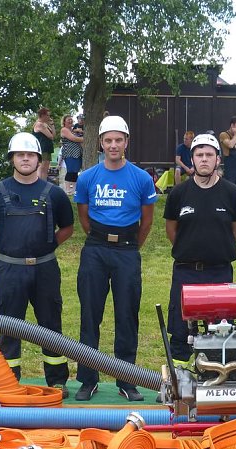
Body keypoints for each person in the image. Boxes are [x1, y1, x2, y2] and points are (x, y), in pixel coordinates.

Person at [0, 133, 74, 396]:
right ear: (12, 158)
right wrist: (6, 246)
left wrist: (48, 246)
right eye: (20, 154)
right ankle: (8, 381)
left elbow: (68, 227)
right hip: (10, 269)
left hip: (45, 269)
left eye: (30, 154)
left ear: (38, 159)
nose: (25, 158)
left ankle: (57, 381)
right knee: (9, 326)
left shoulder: (54, 194)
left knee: (51, 325)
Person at [73, 115, 157, 402]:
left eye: (118, 140)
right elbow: (83, 215)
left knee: (126, 315)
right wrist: (99, 239)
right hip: (95, 249)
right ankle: (88, 378)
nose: (113, 145)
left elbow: (147, 221)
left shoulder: (141, 178)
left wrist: (130, 246)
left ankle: (127, 380)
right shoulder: (88, 178)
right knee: (90, 315)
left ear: (126, 143)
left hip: (127, 251)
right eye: (108, 140)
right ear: (100, 143)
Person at [164, 133, 236, 361]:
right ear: (192, 159)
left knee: (221, 332)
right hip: (185, 271)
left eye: (209, 154)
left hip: (219, 271)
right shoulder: (179, 193)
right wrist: (190, 248)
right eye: (199, 154)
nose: (204, 159)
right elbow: (172, 230)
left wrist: (216, 248)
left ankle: (218, 378)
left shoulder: (232, 193)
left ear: (218, 159)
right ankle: (179, 384)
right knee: (180, 333)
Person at [59, 114, 84, 197]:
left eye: (71, 119)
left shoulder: (73, 130)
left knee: (75, 172)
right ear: (64, 121)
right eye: (68, 119)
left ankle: (73, 190)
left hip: (77, 153)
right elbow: (74, 139)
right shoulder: (64, 130)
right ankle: (68, 190)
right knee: (71, 171)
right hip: (69, 153)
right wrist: (86, 138)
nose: (70, 121)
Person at [32, 108, 56, 181]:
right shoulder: (39, 124)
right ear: (42, 115)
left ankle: (44, 183)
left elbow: (54, 135)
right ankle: (39, 183)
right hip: (42, 148)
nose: (49, 117)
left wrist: (52, 125)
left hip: (47, 148)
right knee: (41, 167)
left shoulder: (45, 124)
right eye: (47, 115)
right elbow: (50, 136)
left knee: (46, 168)